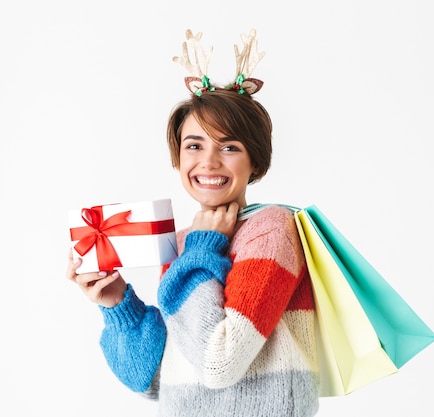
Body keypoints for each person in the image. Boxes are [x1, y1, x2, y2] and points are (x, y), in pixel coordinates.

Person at [66, 29, 320, 417]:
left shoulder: (271, 229)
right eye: (194, 145)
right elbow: (151, 380)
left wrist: (203, 247)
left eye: (230, 146)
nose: (209, 162)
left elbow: (218, 364)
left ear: (256, 160)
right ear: (178, 156)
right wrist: (118, 303)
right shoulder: (185, 243)